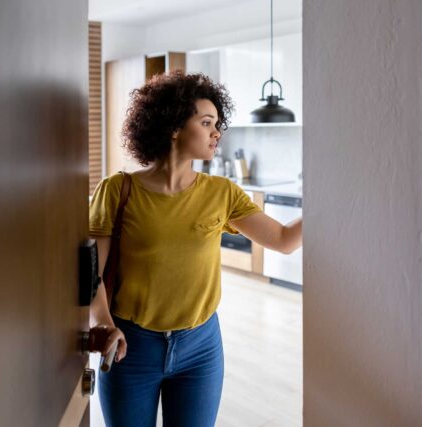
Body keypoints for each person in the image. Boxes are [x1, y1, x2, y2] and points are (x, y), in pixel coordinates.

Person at [88, 70, 302, 427]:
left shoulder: (222, 192)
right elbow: (91, 272)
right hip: (131, 347)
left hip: (200, 348)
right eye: (206, 122)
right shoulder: (117, 191)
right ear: (173, 126)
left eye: (217, 123)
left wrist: (330, 196)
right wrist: (105, 324)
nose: (216, 132)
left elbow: (282, 240)